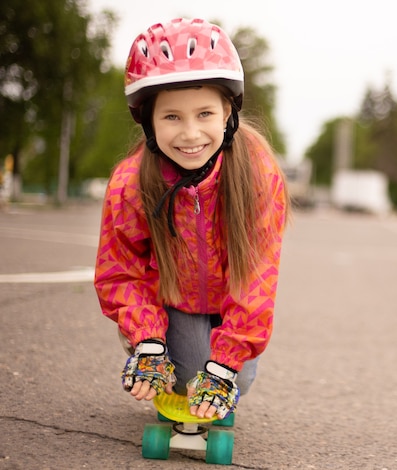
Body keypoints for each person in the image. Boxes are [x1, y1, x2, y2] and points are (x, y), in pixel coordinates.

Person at [94, 18, 289, 421]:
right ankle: (163, 350)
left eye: (204, 114)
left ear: (227, 113)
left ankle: (221, 364)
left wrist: (226, 364)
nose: (190, 134)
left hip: (231, 298)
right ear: (147, 120)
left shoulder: (258, 173)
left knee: (238, 377)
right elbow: (122, 272)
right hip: (175, 301)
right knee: (184, 378)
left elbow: (257, 277)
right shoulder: (130, 183)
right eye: (171, 117)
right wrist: (147, 340)